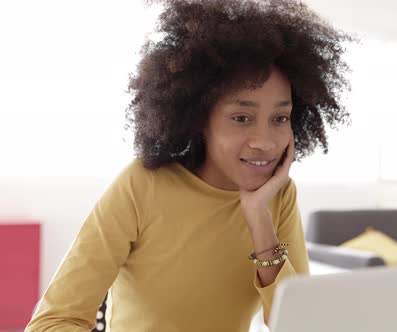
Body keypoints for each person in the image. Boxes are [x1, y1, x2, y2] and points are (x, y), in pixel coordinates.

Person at [26, 0, 352, 331]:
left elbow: (302, 326)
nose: (264, 141)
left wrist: (259, 220)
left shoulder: (278, 196)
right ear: (199, 119)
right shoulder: (143, 184)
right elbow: (52, 322)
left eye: (279, 118)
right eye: (241, 118)